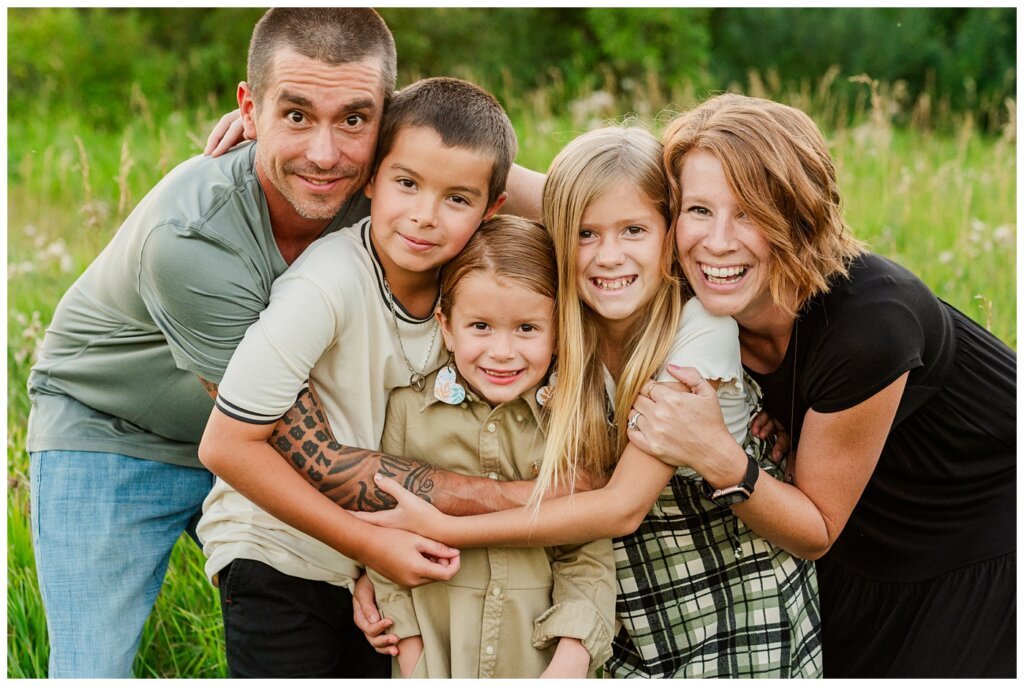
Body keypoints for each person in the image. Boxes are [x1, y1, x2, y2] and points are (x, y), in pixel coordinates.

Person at [25, 8, 551, 677]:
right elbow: (298, 454)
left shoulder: (387, 185)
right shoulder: (192, 238)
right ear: (249, 108)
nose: (324, 154)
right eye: (295, 115)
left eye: (353, 119)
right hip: (116, 431)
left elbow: (576, 202)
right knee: (90, 669)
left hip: (250, 438)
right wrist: (551, 498)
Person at [359, 125, 822, 678]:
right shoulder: (561, 326)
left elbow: (621, 507)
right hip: (616, 577)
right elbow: (459, 174)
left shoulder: (697, 327)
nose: (609, 256)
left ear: (669, 233)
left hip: (723, 567)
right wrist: (380, 561)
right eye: (585, 234)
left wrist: (438, 529)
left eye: (633, 230)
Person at [631, 92, 1015, 677]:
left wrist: (715, 453)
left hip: (981, 539)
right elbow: (577, 197)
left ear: (800, 219)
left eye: (751, 213)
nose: (718, 241)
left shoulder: (870, 322)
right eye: (699, 210)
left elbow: (815, 531)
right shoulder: (699, 287)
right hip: (866, 530)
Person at [196, 75, 520, 677]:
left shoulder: (471, 288)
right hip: (277, 548)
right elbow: (223, 445)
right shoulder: (327, 283)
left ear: (492, 209)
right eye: (406, 184)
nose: (424, 217)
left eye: (457, 199)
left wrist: (368, 562)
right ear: (370, 178)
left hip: (370, 560)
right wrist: (366, 545)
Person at [365, 216, 616, 678]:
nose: (502, 352)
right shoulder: (406, 411)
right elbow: (385, 534)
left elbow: (586, 554)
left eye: (526, 329)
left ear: (559, 330)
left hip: (538, 658)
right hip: (438, 655)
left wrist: (570, 661)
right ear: (446, 325)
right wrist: (414, 653)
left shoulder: (573, 419)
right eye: (480, 326)